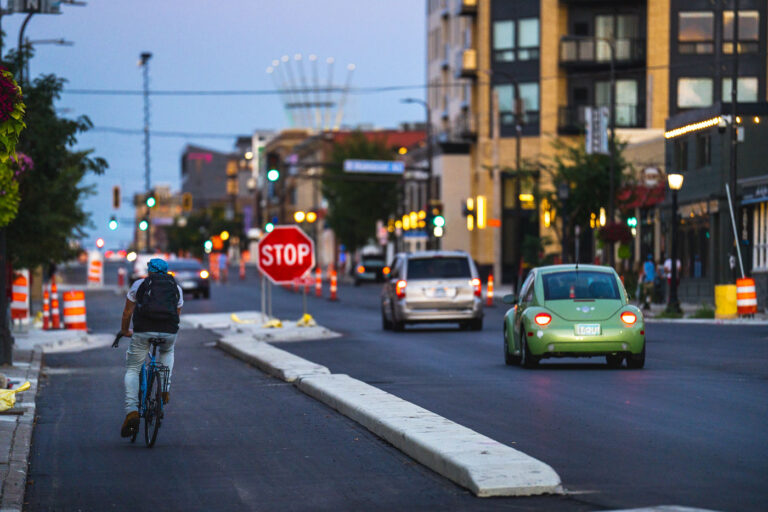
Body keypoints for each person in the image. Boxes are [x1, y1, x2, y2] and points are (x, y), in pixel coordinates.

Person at [119, 258, 183, 438]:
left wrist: (125, 331)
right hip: (169, 332)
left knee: (132, 368)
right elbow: (176, 316)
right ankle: (164, 389)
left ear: (149, 271)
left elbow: (127, 312)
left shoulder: (139, 285)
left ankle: (132, 410)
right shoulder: (176, 288)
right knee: (167, 351)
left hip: (143, 332)